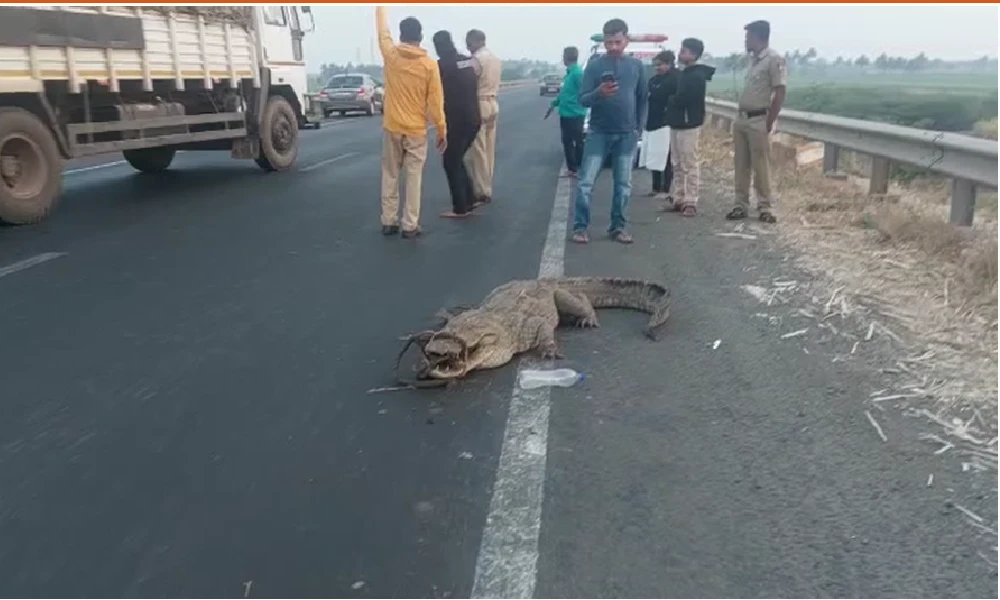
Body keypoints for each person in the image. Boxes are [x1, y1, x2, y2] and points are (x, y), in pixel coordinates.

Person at [572, 18, 647, 245]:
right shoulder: (594, 66)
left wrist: (638, 129)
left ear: (625, 40)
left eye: (617, 42)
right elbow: (583, 99)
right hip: (599, 132)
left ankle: (618, 227)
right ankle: (580, 227)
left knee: (623, 185)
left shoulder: (636, 67)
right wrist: (599, 93)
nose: (613, 47)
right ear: (604, 42)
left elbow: (643, 99)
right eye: (609, 43)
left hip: (627, 135)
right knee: (586, 182)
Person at [375, 6, 447, 239]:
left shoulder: (391, 55)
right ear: (421, 37)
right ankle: (410, 224)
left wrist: (380, 8)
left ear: (401, 35)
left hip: (392, 126)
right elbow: (436, 101)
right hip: (416, 130)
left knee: (390, 174)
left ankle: (388, 221)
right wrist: (441, 129)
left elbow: (381, 33)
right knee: (414, 177)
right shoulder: (429, 65)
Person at [726, 19, 786, 224]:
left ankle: (765, 206)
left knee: (761, 165)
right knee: (740, 164)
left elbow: (780, 91)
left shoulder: (773, 59)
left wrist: (770, 121)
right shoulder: (752, 60)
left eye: (748, 36)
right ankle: (740, 204)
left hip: (759, 118)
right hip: (742, 118)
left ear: (758, 36)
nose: (745, 40)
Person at [663, 38, 715, 217]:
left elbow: (685, 98)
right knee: (676, 162)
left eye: (684, 51)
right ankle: (678, 197)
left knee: (689, 162)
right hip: (677, 122)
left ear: (693, 54)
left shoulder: (696, 76)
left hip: (688, 124)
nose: (680, 53)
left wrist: (671, 100)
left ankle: (691, 200)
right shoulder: (685, 73)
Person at [433, 30, 481, 219]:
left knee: (450, 160)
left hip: (457, 120)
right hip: (473, 118)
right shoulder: (467, 60)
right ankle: (470, 199)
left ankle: (460, 207)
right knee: (457, 158)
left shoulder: (440, 66)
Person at [465, 29, 501, 206]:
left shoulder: (477, 60)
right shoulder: (495, 59)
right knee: (489, 149)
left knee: (478, 150)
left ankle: (482, 190)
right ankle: (487, 184)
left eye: (469, 43)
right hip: (493, 102)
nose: (468, 47)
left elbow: (468, 80)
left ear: (477, 41)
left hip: (479, 103)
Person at [641, 50, 679, 202]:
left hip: (666, 123)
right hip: (652, 122)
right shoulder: (654, 80)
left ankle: (665, 188)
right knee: (654, 156)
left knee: (666, 157)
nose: (657, 68)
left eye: (660, 65)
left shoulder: (675, 79)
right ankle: (655, 187)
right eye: (655, 65)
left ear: (669, 64)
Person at [544, 46, 587, 177]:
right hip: (566, 113)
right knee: (567, 142)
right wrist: (553, 104)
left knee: (578, 142)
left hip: (575, 113)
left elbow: (583, 92)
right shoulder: (569, 74)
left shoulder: (577, 73)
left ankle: (581, 169)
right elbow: (564, 94)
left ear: (566, 57)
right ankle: (572, 169)